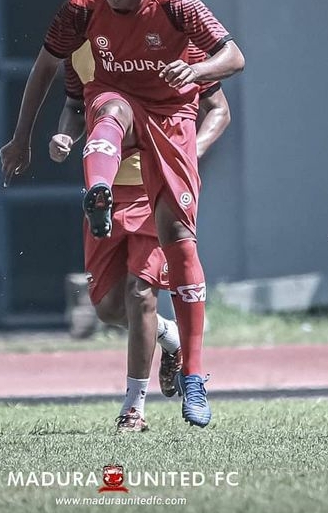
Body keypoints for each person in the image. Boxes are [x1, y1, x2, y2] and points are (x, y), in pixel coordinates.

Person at [0, 0, 245, 427]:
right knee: (110, 306)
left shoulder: (176, 8)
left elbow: (231, 67)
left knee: (152, 279)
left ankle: (168, 389)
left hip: (169, 130)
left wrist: (194, 87)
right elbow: (55, 80)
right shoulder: (81, 23)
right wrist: (30, 137)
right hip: (113, 158)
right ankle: (99, 190)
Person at [49, 43, 231, 432]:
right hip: (106, 194)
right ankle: (171, 338)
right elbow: (75, 106)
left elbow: (219, 110)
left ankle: (133, 407)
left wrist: (185, 154)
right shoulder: (82, 44)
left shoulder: (173, 39)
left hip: (155, 193)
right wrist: (65, 135)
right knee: (109, 308)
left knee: (140, 293)